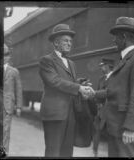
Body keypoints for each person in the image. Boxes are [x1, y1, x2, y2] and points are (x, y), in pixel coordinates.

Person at [94, 17, 134, 157]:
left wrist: (130, 128)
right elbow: (114, 91)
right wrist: (93, 93)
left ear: (123, 37)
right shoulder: (124, 60)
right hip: (115, 126)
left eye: (115, 37)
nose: (113, 41)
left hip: (124, 128)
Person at [39, 24, 94, 157]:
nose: (69, 44)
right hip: (55, 114)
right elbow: (54, 81)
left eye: (70, 41)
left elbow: (68, 83)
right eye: (66, 41)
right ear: (56, 43)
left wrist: (80, 84)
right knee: (53, 152)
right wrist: (79, 88)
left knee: (67, 152)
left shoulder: (71, 63)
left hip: (70, 113)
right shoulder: (46, 60)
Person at [3, 43, 23, 154]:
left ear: (9, 56)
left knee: (5, 132)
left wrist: (19, 106)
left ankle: (3, 154)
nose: (3, 57)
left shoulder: (14, 71)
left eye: (6, 54)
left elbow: (18, 89)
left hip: (7, 106)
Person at [93, 58, 114, 156]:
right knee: (97, 131)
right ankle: (95, 151)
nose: (101, 67)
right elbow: (97, 93)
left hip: (111, 111)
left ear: (107, 66)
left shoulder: (116, 77)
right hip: (101, 110)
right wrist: (98, 104)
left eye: (102, 66)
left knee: (111, 134)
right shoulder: (101, 79)